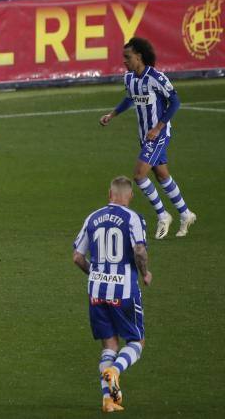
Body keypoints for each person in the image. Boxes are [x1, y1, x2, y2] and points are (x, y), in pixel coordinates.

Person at [99, 37, 196, 239]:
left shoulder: (156, 77)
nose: (124, 61)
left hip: (158, 135)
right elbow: (129, 98)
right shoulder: (129, 78)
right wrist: (112, 115)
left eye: (128, 57)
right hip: (144, 136)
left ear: (139, 56)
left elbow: (175, 102)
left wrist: (159, 127)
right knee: (162, 176)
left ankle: (163, 215)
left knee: (139, 175)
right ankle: (186, 214)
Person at [72, 176, 152, 413]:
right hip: (124, 290)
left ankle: (108, 401)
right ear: (130, 197)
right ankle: (116, 370)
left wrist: (95, 274)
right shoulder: (133, 217)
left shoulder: (92, 217)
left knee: (109, 344)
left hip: (96, 290)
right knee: (137, 341)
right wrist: (145, 273)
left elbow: (77, 257)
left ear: (110, 194)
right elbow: (139, 250)